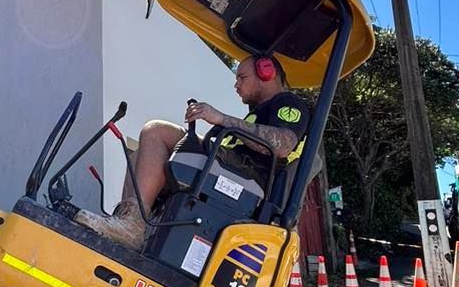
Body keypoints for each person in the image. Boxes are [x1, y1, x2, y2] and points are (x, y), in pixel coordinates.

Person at [75, 55, 311, 249]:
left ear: (266, 72)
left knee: (156, 131)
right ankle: (128, 220)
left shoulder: (288, 103)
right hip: (228, 166)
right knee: (140, 154)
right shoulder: (259, 111)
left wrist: (221, 119)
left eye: (241, 77)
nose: (236, 84)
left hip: (246, 178)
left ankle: (134, 228)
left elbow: (282, 145)